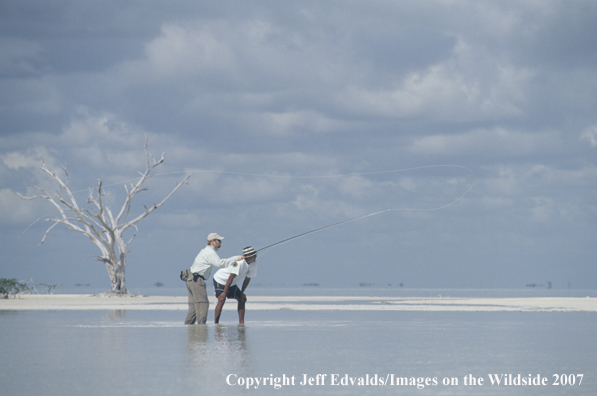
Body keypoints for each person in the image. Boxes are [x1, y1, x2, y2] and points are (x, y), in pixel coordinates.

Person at [184, 233, 244, 325]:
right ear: (212, 241)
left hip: (191, 279)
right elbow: (220, 263)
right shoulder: (210, 252)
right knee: (202, 304)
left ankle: (189, 331)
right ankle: (201, 332)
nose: (221, 242)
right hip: (196, 280)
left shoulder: (205, 250)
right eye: (219, 240)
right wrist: (236, 258)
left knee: (193, 308)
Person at [213, 246, 258, 324]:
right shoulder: (238, 263)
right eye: (254, 255)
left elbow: (247, 279)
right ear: (249, 257)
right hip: (220, 280)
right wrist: (224, 293)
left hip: (231, 283)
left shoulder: (254, 264)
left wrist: (242, 292)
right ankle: (216, 323)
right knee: (221, 299)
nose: (256, 256)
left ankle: (241, 323)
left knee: (242, 299)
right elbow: (230, 278)